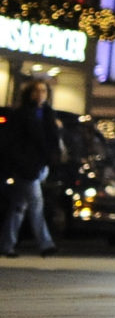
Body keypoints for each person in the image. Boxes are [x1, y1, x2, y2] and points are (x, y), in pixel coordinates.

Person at [0, 78, 63, 259]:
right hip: (26, 167)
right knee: (36, 204)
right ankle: (45, 243)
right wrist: (21, 162)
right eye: (37, 91)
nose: (40, 95)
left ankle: (7, 244)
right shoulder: (22, 114)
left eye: (43, 91)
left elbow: (52, 140)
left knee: (19, 206)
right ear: (30, 94)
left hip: (41, 166)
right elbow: (14, 142)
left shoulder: (48, 113)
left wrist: (52, 160)